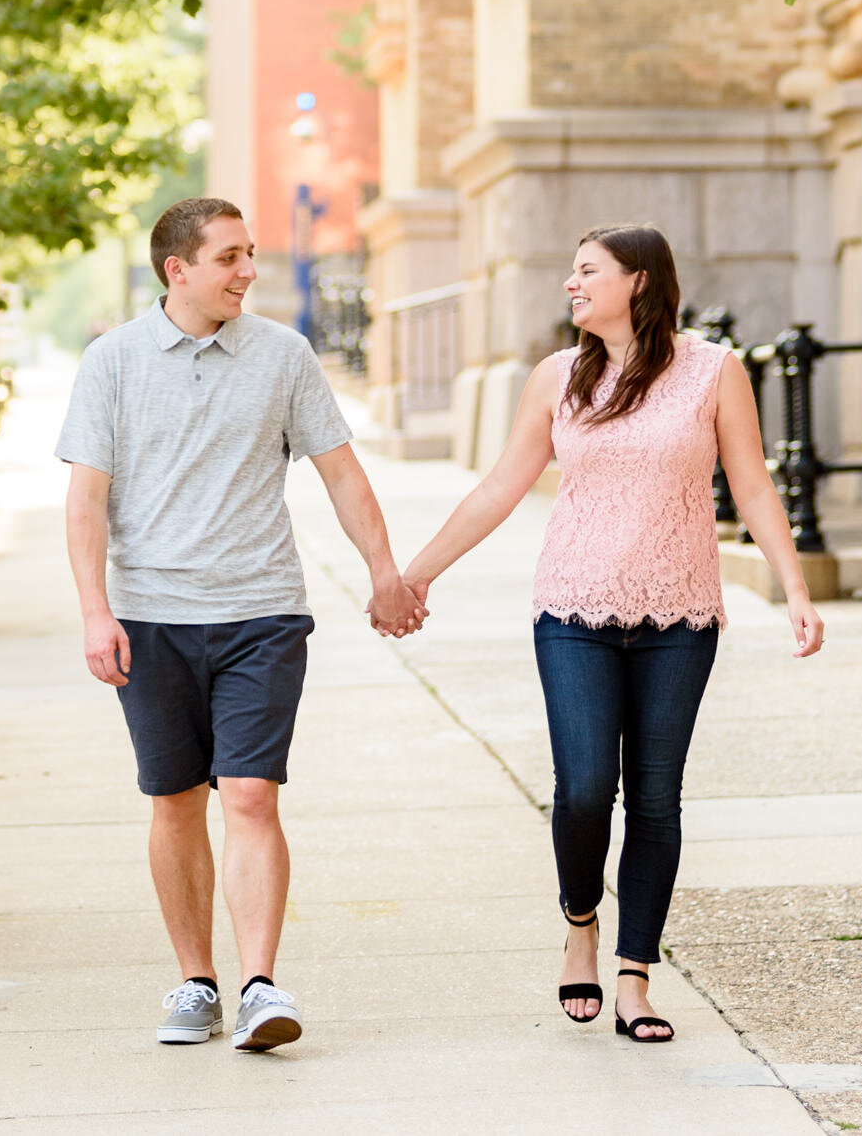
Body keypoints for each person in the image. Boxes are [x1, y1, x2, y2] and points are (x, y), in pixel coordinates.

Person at [402, 223, 823, 1043]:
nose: (570, 283)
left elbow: (754, 486)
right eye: (570, 270)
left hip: (679, 615)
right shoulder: (557, 377)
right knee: (586, 788)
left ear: (637, 281)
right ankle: (580, 921)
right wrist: (418, 572)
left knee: (656, 800)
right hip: (573, 612)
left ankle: (635, 977)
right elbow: (499, 487)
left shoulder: (712, 370)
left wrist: (794, 588)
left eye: (587, 270)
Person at [59, 195, 424, 1054]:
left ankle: (260, 985)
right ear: (176, 268)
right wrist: (93, 610)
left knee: (251, 795)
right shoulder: (111, 362)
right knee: (177, 800)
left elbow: (341, 473)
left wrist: (384, 572)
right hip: (151, 619)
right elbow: (86, 499)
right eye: (229, 257)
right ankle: (196, 983)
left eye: (251, 253)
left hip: (262, 610)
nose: (249, 271)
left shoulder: (283, 356)